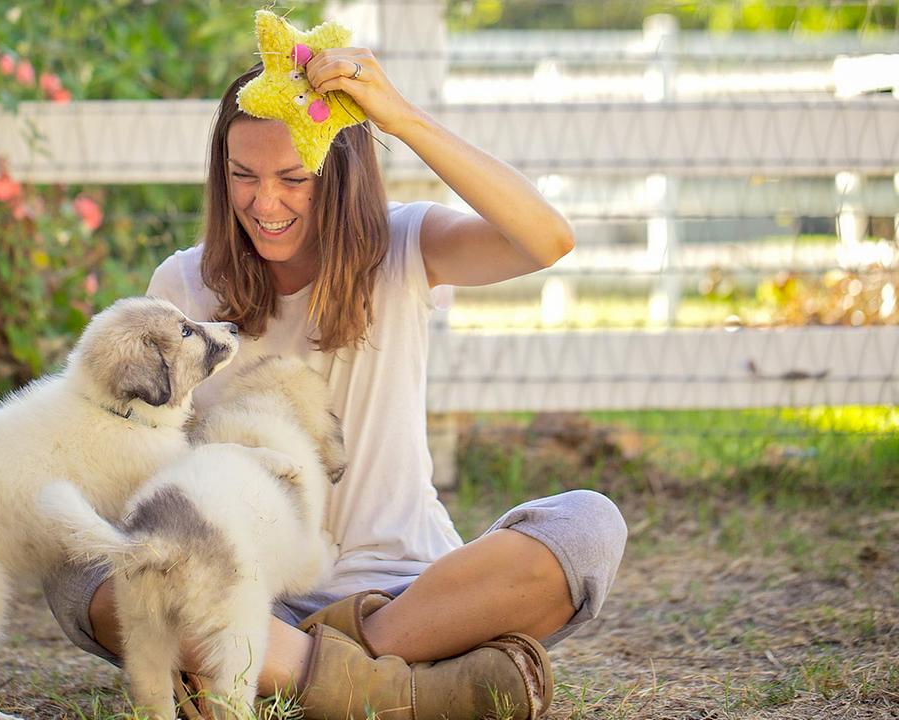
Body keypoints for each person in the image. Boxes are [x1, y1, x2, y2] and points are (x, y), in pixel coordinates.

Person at [45, 49, 627, 720]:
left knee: (590, 526)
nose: (265, 203)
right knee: (74, 562)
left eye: (295, 178)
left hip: (410, 593)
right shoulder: (183, 285)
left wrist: (401, 118)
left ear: (343, 176)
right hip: (245, 593)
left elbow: (547, 239)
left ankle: (298, 667)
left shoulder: (404, 245)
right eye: (244, 176)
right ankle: (390, 688)